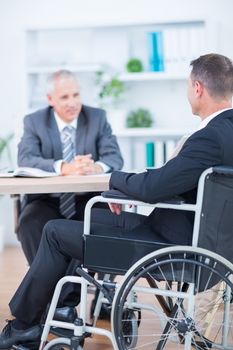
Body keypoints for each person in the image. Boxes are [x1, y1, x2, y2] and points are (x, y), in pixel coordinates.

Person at [1, 53, 233, 349]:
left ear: (198, 88)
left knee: (56, 231)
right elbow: (171, 181)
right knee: (78, 218)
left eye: (188, 86)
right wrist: (125, 190)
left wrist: (114, 180)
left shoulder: (208, 138)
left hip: (168, 247)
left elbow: (154, 186)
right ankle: (58, 308)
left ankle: (23, 326)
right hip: (202, 243)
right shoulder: (226, 132)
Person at [16, 70, 123, 323]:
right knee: (30, 222)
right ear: (50, 99)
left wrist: (95, 167)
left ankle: (62, 304)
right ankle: (62, 301)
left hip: (86, 199)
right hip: (47, 200)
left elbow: (114, 158)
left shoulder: (97, 118)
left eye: (76, 95)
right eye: (64, 97)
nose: (73, 102)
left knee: (87, 225)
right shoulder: (34, 121)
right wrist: (64, 167)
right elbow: (26, 159)